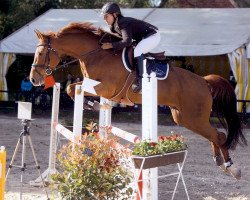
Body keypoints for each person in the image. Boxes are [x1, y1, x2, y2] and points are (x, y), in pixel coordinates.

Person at [100, 2, 161, 92]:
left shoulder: (122, 22)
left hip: (153, 36)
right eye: (104, 17)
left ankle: (141, 80)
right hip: (143, 37)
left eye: (106, 16)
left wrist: (110, 45)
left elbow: (127, 41)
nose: (105, 19)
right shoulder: (115, 26)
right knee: (134, 50)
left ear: (115, 14)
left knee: (137, 51)